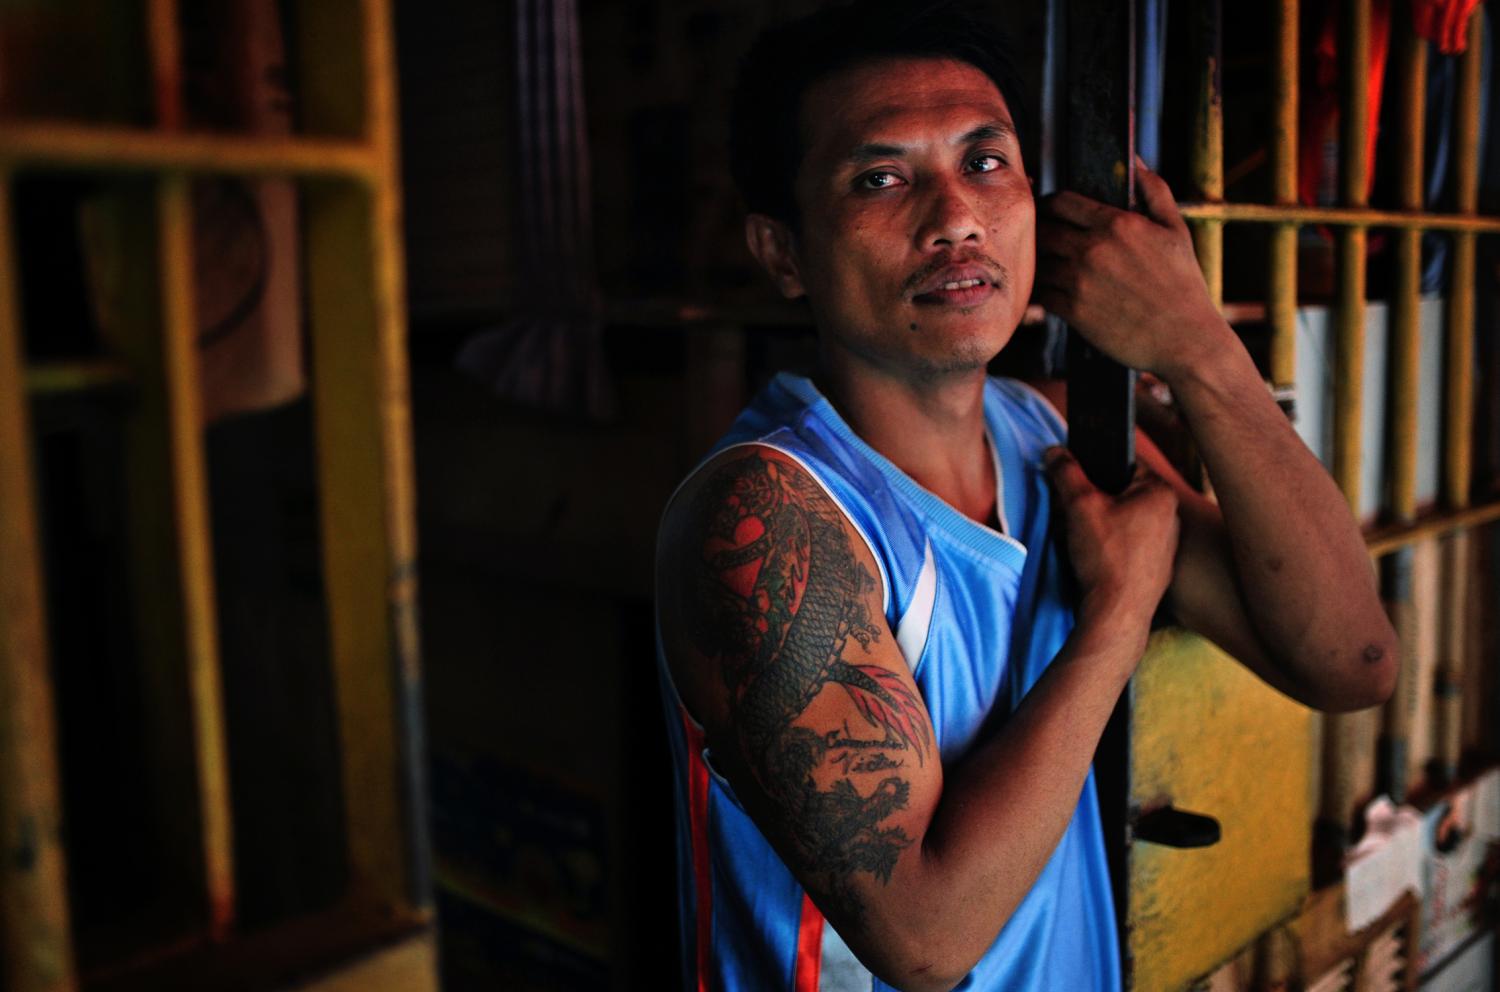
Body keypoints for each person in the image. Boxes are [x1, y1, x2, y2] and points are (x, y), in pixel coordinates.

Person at [653, 4, 1397, 990]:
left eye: (985, 161)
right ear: (782, 251)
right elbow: (926, 936)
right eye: (881, 179)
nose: (957, 217)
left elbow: (1352, 659)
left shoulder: (1050, 435)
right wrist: (1118, 615)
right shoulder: (765, 516)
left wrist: (1199, 347)